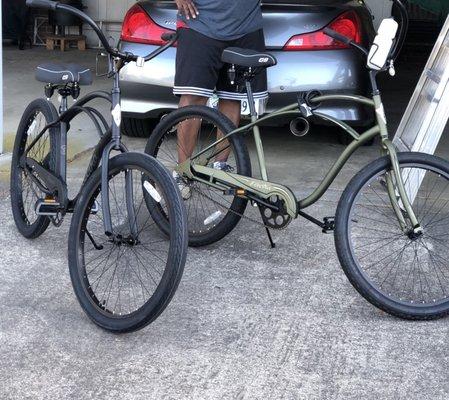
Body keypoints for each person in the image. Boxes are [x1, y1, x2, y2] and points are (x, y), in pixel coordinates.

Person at [173, 0, 268, 198]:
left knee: (232, 98)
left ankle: (220, 167)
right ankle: (183, 173)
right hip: (199, 24)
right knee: (193, 100)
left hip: (245, 27)